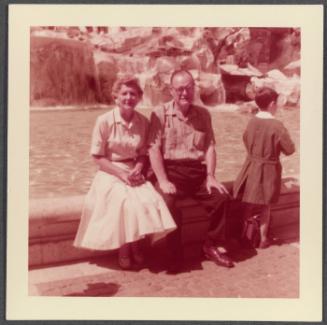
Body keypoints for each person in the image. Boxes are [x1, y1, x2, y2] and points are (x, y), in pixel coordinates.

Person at [74, 75, 176, 270]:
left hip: (134, 170)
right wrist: (121, 175)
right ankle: (125, 249)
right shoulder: (103, 121)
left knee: (148, 200)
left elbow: (143, 153)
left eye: (133, 94)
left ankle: (136, 246)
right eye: (124, 93)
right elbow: (97, 157)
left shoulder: (143, 122)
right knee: (124, 202)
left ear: (139, 97)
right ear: (116, 97)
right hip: (110, 171)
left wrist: (138, 168)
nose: (129, 97)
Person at [148, 69, 235, 273]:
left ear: (194, 88)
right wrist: (162, 180)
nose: (184, 93)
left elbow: (210, 147)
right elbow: (153, 149)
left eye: (188, 88)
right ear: (171, 91)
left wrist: (211, 176)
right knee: (168, 204)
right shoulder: (159, 113)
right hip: (170, 172)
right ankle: (174, 253)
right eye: (179, 89)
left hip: (196, 172)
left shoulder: (203, 114)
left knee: (221, 198)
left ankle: (211, 245)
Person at [233, 87, 295, 248]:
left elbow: (246, 139)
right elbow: (290, 150)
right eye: (278, 103)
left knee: (249, 202)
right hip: (268, 169)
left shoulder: (252, 121)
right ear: (272, 104)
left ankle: (244, 235)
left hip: (251, 165)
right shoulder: (277, 125)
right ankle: (262, 238)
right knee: (266, 206)